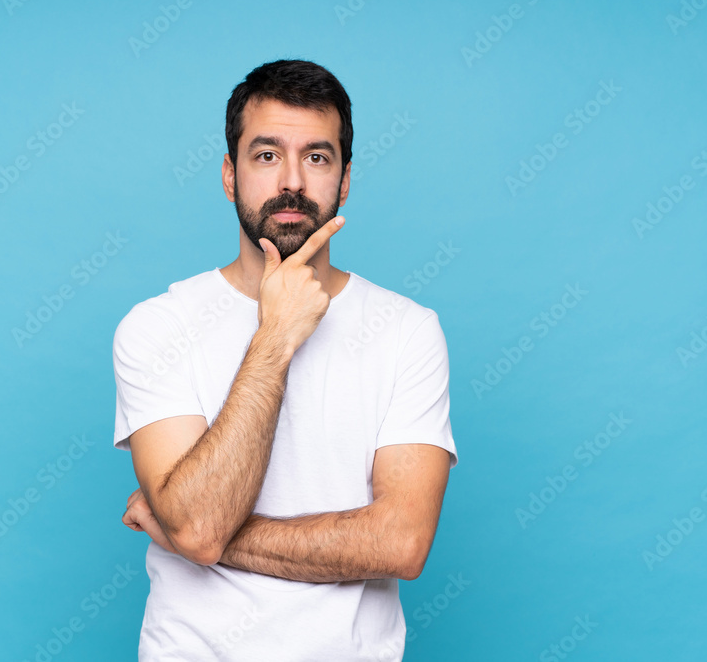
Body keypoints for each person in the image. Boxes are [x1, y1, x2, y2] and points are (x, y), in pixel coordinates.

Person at [114, 58, 457, 661]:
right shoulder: (156, 326)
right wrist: (275, 337)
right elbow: (197, 525)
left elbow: (402, 542)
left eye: (317, 157)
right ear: (229, 174)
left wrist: (194, 536)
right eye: (266, 155)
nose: (291, 181)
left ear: (345, 179)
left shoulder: (407, 330)